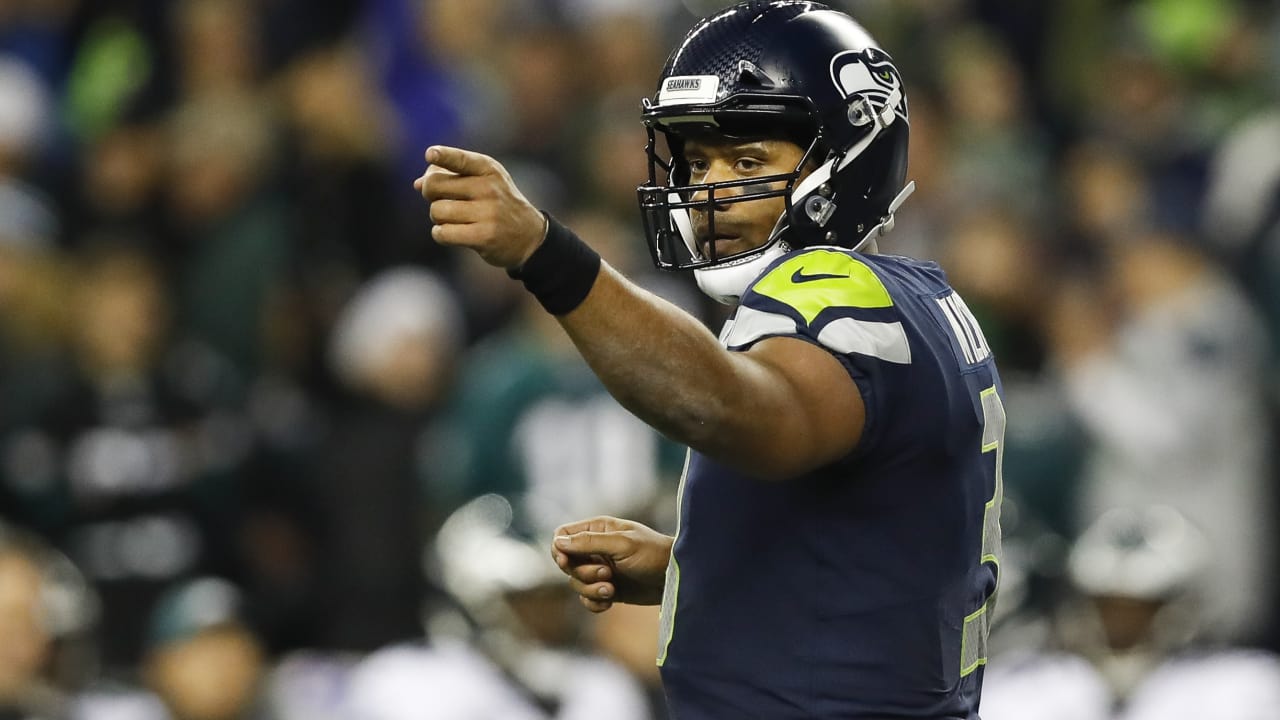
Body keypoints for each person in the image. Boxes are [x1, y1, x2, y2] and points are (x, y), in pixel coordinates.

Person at [414, 2, 1004, 717]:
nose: (709, 192)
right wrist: (695, 559)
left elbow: (743, 412)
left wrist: (548, 257)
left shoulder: (833, 294)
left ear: (852, 155)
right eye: (697, 162)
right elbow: (878, 556)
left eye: (748, 159)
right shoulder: (924, 299)